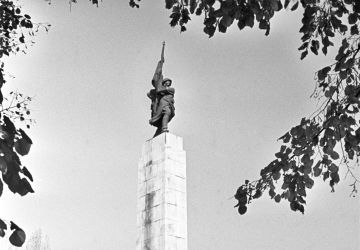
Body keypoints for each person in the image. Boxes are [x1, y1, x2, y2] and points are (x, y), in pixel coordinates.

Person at [147, 42, 175, 137]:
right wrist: (160, 63)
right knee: (165, 113)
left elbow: (162, 91)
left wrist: (160, 91)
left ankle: (162, 128)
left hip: (169, 103)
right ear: (163, 82)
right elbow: (158, 90)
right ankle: (164, 128)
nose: (168, 83)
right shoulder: (162, 88)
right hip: (163, 102)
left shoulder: (171, 89)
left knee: (168, 113)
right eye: (166, 82)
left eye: (169, 82)